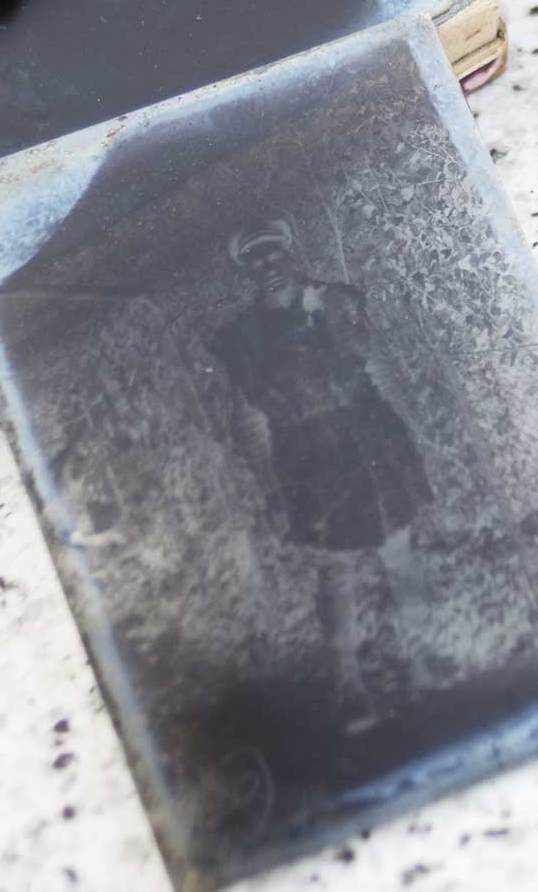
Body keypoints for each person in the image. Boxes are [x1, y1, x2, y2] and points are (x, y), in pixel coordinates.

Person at [206, 217, 432, 730]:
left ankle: (424, 657)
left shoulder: (336, 302)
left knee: (399, 550)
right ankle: (347, 687)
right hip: (308, 457)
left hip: (367, 438)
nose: (267, 267)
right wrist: (273, 483)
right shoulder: (241, 338)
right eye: (254, 261)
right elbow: (248, 417)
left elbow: (369, 362)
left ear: (289, 254)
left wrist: (402, 433)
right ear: (245, 270)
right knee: (335, 571)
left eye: (272, 255)